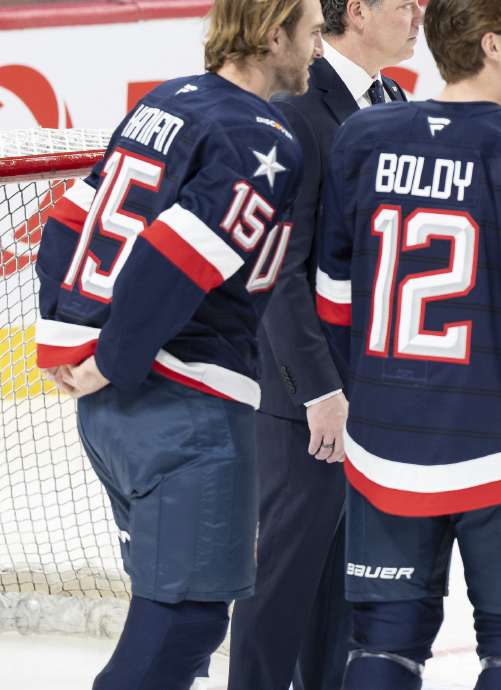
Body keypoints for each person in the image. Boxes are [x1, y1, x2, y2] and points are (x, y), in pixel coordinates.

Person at [313, 0, 501, 687]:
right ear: (491, 45)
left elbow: (334, 297)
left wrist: (375, 402)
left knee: (382, 648)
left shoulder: (365, 136)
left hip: (385, 450)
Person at [32, 1, 323, 688]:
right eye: (311, 30)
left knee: (166, 605)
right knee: (186, 620)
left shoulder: (165, 102)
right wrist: (113, 358)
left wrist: (66, 344)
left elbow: (70, 218)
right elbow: (177, 254)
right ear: (274, 31)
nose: (317, 45)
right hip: (185, 407)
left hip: (119, 417)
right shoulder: (261, 134)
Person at [228, 0, 419, 688]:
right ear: (359, 11)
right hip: (303, 403)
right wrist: (319, 389)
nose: (419, 13)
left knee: (341, 594)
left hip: (370, 398)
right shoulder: (298, 110)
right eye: (406, 3)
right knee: (278, 590)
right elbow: (277, 269)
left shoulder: (392, 99)